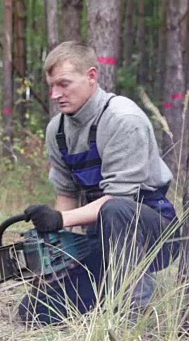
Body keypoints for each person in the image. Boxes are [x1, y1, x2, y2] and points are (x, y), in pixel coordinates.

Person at [18, 41, 180, 326]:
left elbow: (121, 199)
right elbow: (66, 194)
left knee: (115, 210)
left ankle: (132, 314)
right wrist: (59, 245)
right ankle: (106, 294)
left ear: (91, 76)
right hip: (102, 239)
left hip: (156, 235)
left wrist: (57, 219)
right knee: (36, 311)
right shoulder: (56, 129)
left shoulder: (122, 119)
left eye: (64, 84)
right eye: (51, 85)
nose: (55, 94)